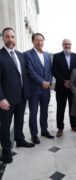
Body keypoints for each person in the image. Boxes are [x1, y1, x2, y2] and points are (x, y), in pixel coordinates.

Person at [0, 27, 34, 164]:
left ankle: (19, 140)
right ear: (3, 38)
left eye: (12, 36)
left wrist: (28, 92)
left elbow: (24, 75)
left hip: (21, 97)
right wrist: (1, 98)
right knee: (5, 125)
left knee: (19, 121)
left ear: (15, 38)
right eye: (7, 36)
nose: (10, 39)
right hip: (6, 99)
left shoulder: (20, 55)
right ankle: (6, 150)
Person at [24, 33, 54, 144]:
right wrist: (42, 82)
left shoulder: (47, 55)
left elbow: (50, 70)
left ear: (43, 41)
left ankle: (44, 130)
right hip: (34, 89)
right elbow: (30, 71)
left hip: (46, 90)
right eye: (37, 40)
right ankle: (34, 134)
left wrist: (49, 81)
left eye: (41, 40)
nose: (39, 42)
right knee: (33, 113)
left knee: (45, 111)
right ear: (33, 41)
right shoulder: (27, 55)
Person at [52, 39, 76, 137]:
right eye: (65, 44)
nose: (67, 46)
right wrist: (64, 81)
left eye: (69, 44)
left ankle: (74, 125)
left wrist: (71, 82)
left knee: (73, 108)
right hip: (61, 87)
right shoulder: (56, 56)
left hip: (73, 88)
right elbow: (54, 71)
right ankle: (60, 128)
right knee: (60, 108)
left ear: (71, 45)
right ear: (62, 45)